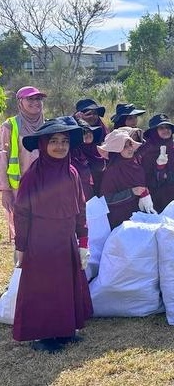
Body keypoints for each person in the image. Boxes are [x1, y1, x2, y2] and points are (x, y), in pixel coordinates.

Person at [12, 116, 93, 353]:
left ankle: (64, 330)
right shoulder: (33, 176)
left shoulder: (72, 173)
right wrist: (21, 246)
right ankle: (43, 335)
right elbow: (22, 212)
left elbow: (81, 207)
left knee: (65, 286)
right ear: (43, 144)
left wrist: (83, 241)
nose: (60, 146)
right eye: (54, 141)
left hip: (66, 239)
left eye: (65, 141)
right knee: (44, 287)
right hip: (41, 242)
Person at [1, 86, 46, 244]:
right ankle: (22, 267)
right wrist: (5, 190)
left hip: (45, 186)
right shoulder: (10, 126)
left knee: (44, 229)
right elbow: (3, 158)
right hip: (19, 189)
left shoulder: (47, 125)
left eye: (38, 99)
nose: (36, 102)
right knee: (23, 233)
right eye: (30, 99)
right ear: (20, 102)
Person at [136, 114, 174, 213]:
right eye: (161, 128)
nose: (166, 130)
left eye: (167, 127)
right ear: (154, 131)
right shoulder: (145, 153)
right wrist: (159, 171)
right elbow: (143, 180)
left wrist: (169, 177)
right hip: (154, 203)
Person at [99, 128, 153, 229]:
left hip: (139, 216)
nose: (130, 148)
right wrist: (131, 192)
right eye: (125, 146)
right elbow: (106, 199)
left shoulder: (137, 164)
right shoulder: (112, 170)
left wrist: (145, 192)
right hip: (121, 221)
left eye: (131, 144)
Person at [70, 120, 104, 201]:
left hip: (104, 195)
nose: (88, 134)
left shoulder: (98, 150)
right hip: (87, 198)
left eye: (90, 131)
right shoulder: (75, 155)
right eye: (84, 132)